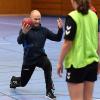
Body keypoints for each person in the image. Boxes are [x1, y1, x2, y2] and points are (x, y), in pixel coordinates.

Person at [10, 10, 63, 100]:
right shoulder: (25, 29)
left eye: (39, 19)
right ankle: (14, 80)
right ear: (30, 18)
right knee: (23, 83)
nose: (38, 21)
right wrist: (23, 33)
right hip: (29, 60)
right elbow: (19, 41)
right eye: (35, 19)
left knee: (47, 64)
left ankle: (49, 91)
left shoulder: (44, 30)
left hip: (40, 57)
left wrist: (60, 29)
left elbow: (57, 38)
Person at [57, 0, 99, 100]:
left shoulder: (73, 16)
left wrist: (60, 62)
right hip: (92, 63)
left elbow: (68, 43)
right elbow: (98, 39)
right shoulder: (94, 16)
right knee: (88, 98)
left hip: (76, 64)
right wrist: (98, 59)